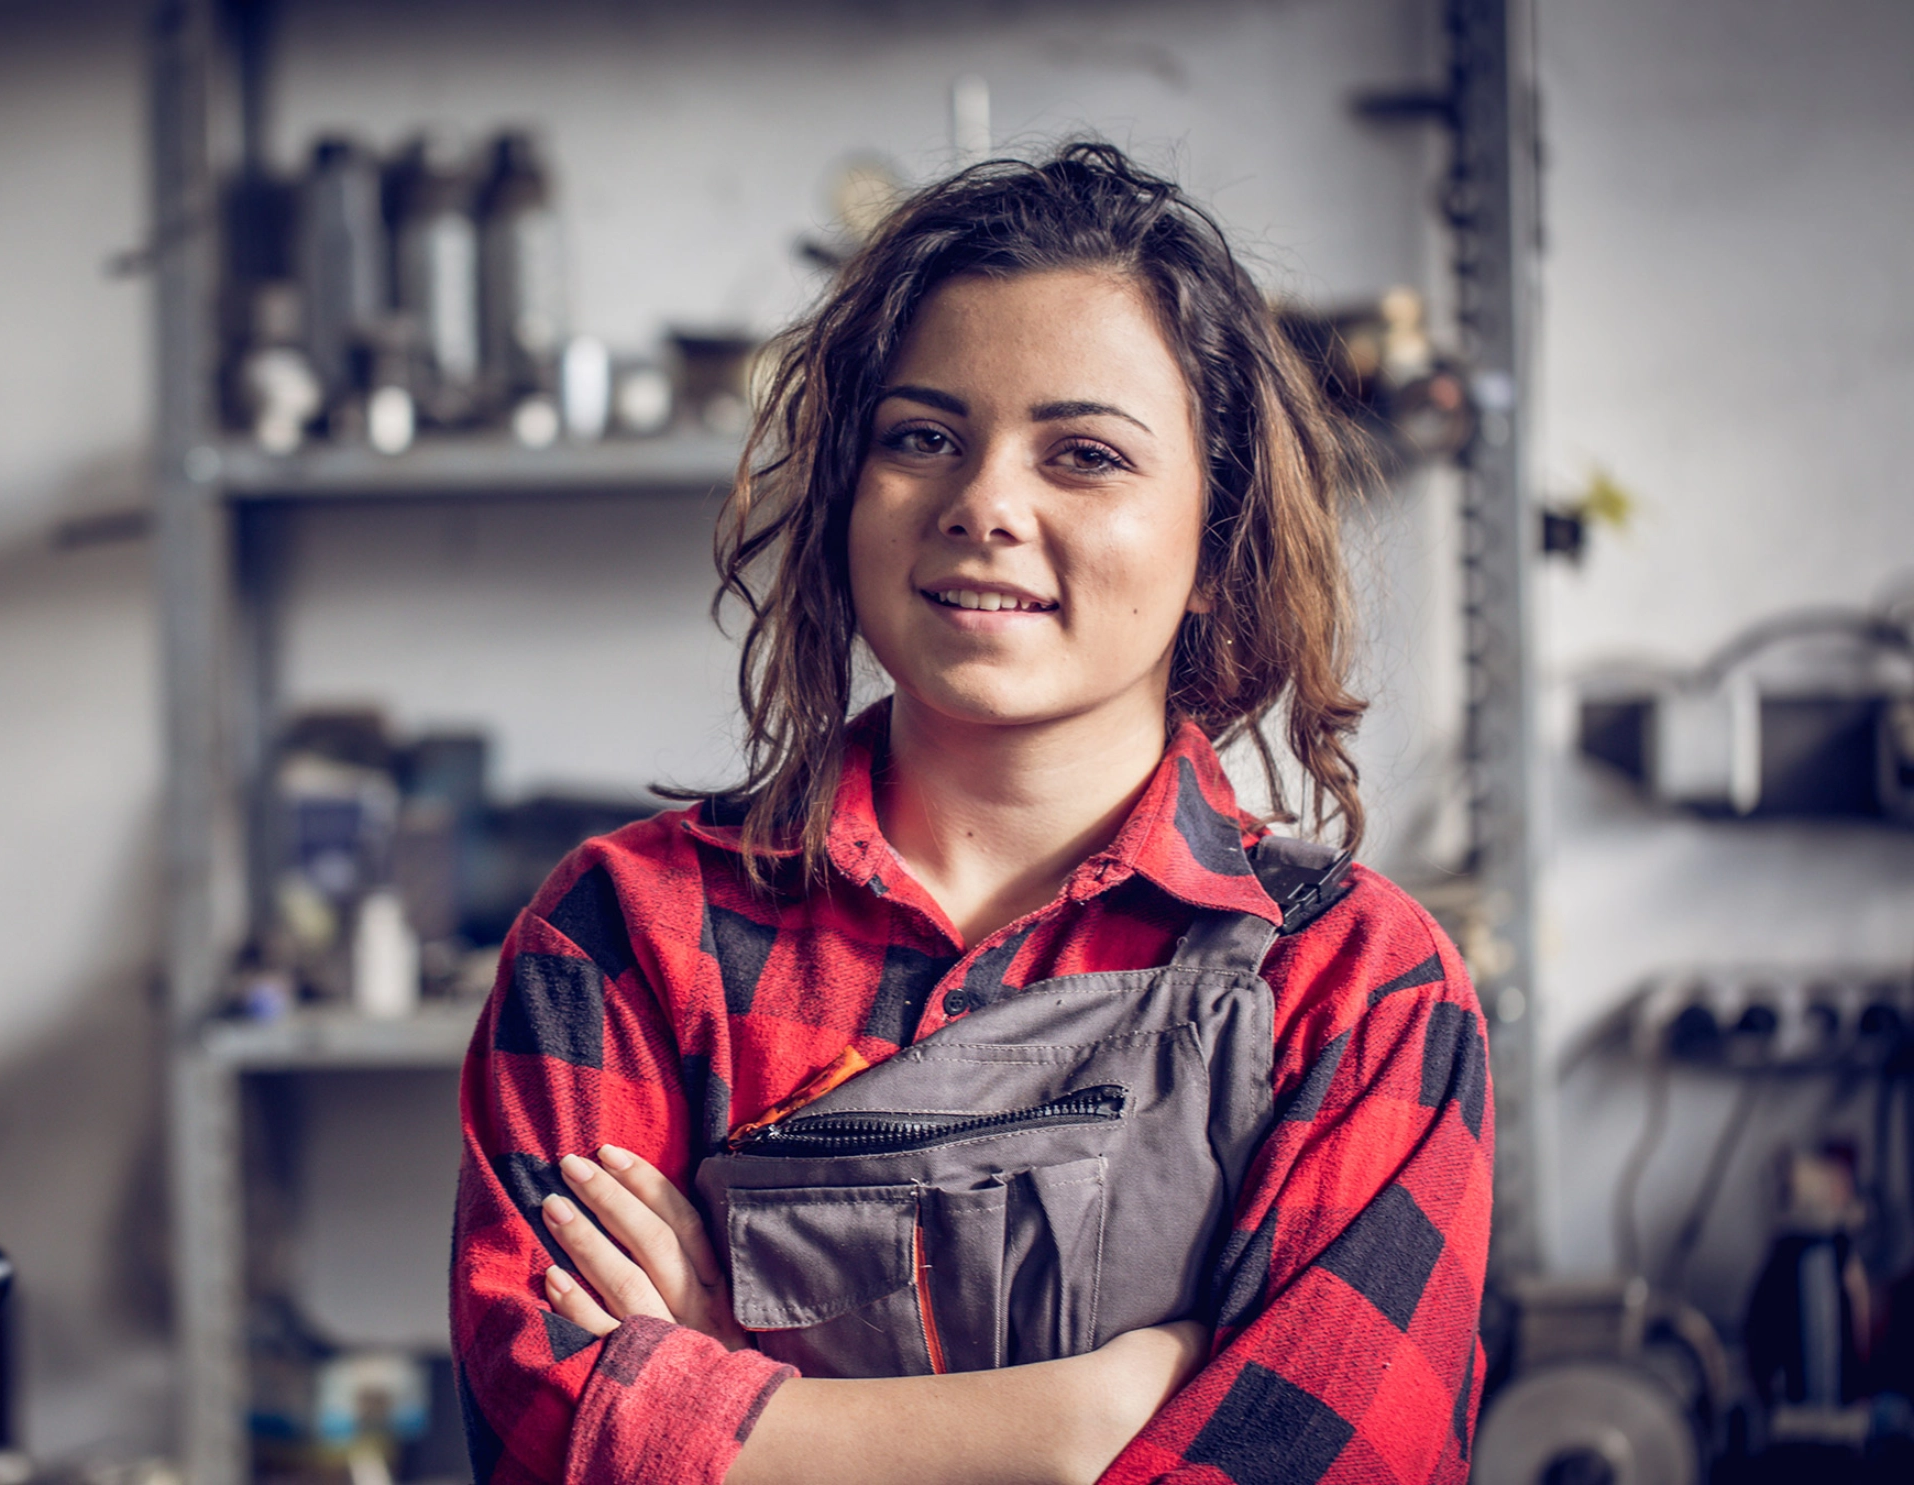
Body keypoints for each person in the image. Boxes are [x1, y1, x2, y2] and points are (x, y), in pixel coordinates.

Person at [451, 142, 1491, 1485]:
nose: (986, 504)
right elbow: (559, 1435)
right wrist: (1078, 1426)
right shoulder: (624, 939)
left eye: (1085, 455)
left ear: (1213, 542)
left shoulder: (1355, 992)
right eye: (925, 438)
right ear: (845, 497)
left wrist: (745, 1421)